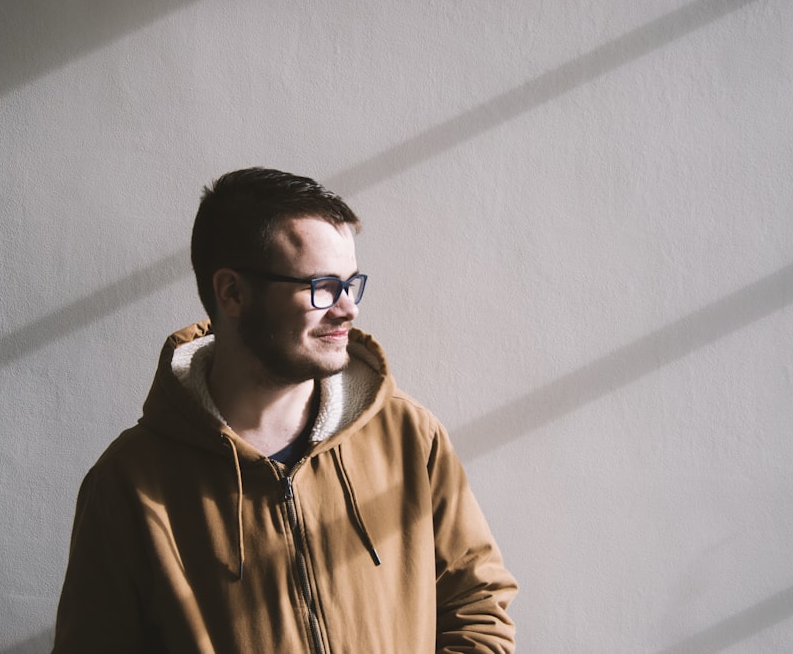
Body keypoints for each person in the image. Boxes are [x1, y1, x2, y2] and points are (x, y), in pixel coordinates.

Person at [52, 167, 518, 653]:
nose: (347, 309)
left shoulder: (408, 435)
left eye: (351, 284)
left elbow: (478, 603)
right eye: (321, 286)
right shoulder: (129, 485)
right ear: (231, 292)